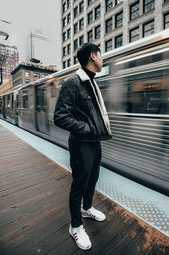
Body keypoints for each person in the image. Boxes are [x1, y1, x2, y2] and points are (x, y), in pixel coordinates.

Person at [54, 43, 112, 250]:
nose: (102, 59)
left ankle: (87, 208)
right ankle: (75, 225)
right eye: (100, 55)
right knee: (79, 183)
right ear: (92, 56)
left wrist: (94, 131)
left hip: (94, 142)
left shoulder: (91, 83)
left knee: (93, 177)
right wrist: (86, 128)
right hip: (81, 143)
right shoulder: (74, 83)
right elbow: (60, 116)